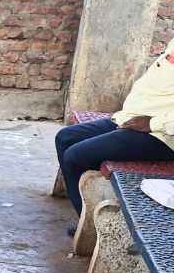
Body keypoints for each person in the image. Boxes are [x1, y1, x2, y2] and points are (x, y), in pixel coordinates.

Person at [54, 39, 174, 214]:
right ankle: (86, 220)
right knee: (65, 138)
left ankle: (94, 226)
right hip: (130, 118)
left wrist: (151, 123)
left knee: (75, 156)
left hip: (161, 135)